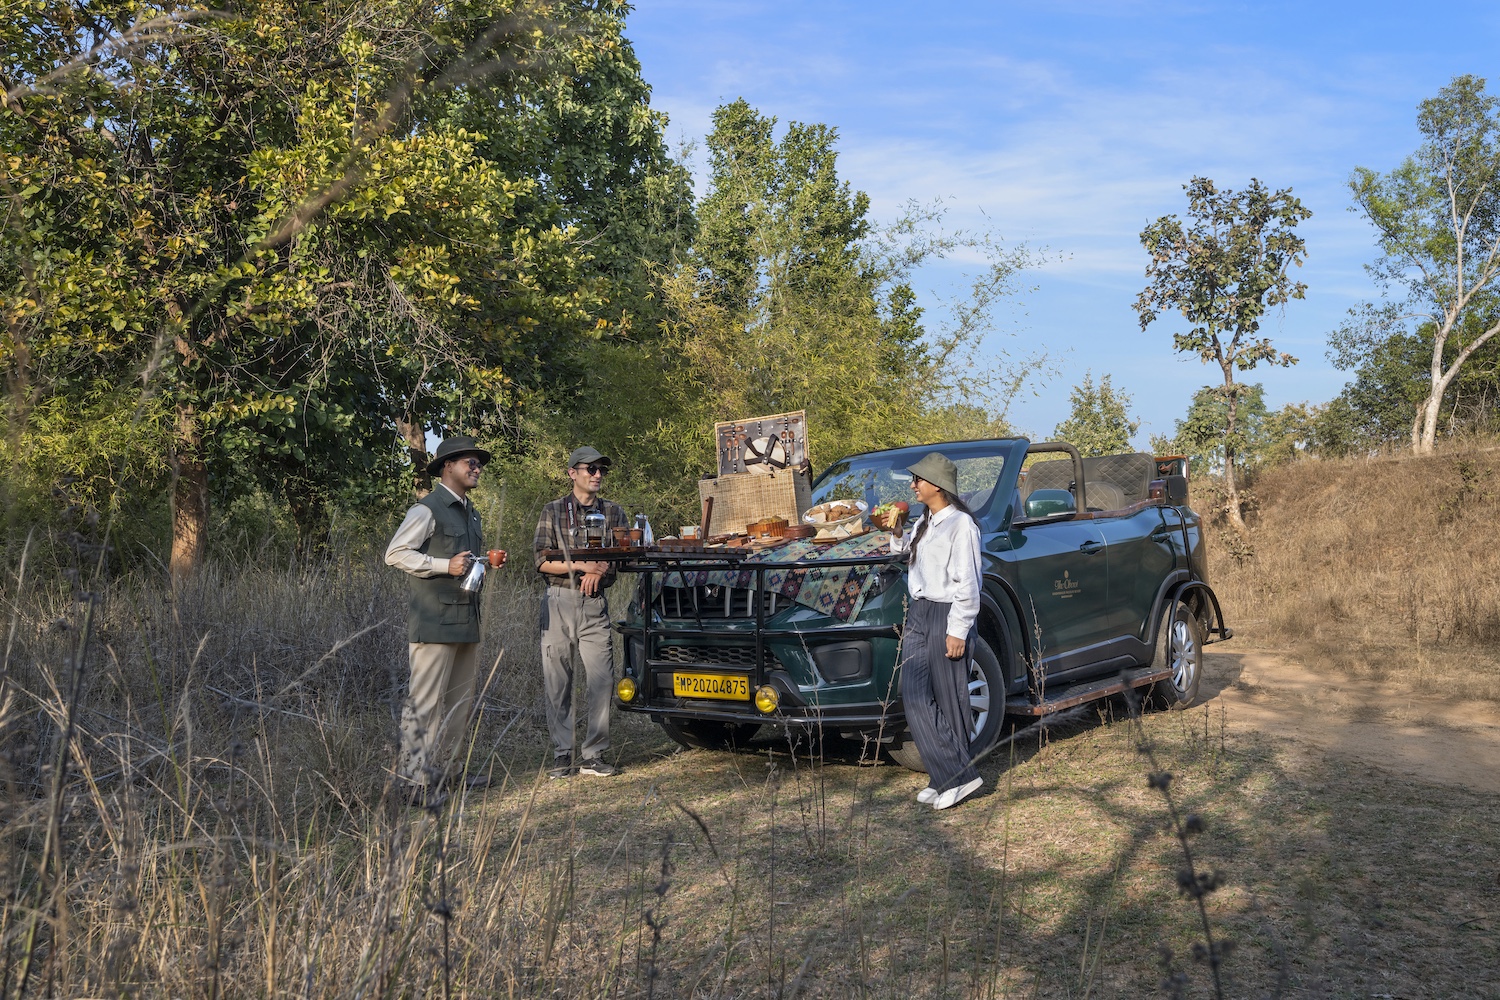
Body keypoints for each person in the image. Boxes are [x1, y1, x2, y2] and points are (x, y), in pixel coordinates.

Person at [384, 435, 505, 804]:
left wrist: (486, 562)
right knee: (425, 704)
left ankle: (449, 772)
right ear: (447, 467)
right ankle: (412, 784)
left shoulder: (471, 511)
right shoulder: (427, 509)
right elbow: (395, 554)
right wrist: (442, 565)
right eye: (468, 461)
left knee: (458, 703)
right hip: (434, 622)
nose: (476, 467)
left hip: (466, 620)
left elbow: (464, 562)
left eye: (478, 462)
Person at [874, 452, 984, 810]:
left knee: (950, 698)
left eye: (918, 480)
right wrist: (896, 532)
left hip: (947, 613)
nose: (913, 485)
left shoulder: (961, 526)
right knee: (914, 694)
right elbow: (910, 555)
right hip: (920, 612)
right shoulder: (926, 521)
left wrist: (959, 630)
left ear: (937, 484)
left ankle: (953, 778)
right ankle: (950, 776)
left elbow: (969, 583)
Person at [532, 446, 629, 778]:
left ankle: (594, 754)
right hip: (558, 600)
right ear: (573, 472)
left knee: (601, 680)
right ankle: (563, 753)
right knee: (558, 680)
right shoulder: (553, 510)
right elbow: (541, 560)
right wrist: (582, 565)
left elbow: (626, 554)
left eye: (601, 469)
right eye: (590, 468)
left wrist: (599, 570)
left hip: (594, 603)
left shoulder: (614, 513)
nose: (597, 475)